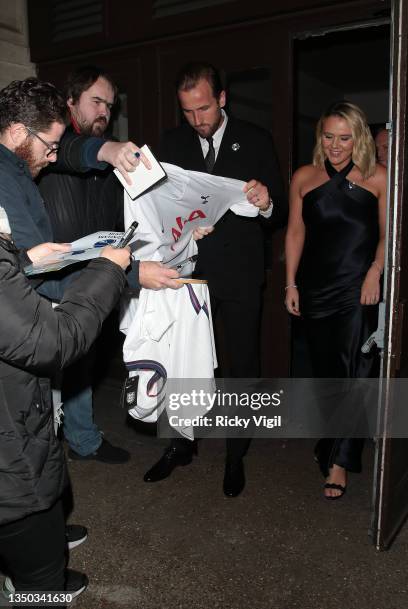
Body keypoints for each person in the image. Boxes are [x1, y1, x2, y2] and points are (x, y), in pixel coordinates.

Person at [143, 62, 287, 497]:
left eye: (203, 109)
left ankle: (235, 454)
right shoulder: (171, 142)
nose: (197, 120)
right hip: (187, 274)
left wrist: (264, 203)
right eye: (188, 112)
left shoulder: (257, 139)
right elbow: (154, 205)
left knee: (241, 364)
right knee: (182, 364)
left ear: (222, 99)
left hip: (240, 273)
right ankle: (180, 445)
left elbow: (277, 212)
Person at [36, 66, 180, 464]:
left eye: (110, 106)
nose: (104, 111)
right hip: (46, 277)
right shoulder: (53, 143)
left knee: (84, 359)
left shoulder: (106, 160)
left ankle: (83, 441)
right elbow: (70, 151)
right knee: (40, 373)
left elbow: (125, 217)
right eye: (96, 101)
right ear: (70, 102)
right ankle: (41, 454)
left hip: (91, 274)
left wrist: (178, 232)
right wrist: (106, 150)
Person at [0, 216, 130, 609]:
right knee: (41, 583)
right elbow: (55, 341)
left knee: (33, 553)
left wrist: (22, 261)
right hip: (9, 462)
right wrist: (108, 270)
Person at [285, 101, 386, 499]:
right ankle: (330, 444)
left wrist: (375, 271)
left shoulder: (379, 177)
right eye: (329, 137)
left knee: (357, 372)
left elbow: (387, 233)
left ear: (358, 137)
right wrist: (290, 284)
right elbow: (295, 233)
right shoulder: (304, 178)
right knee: (327, 375)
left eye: (345, 137)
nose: (336, 146)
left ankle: (341, 461)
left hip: (359, 288)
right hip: (315, 290)